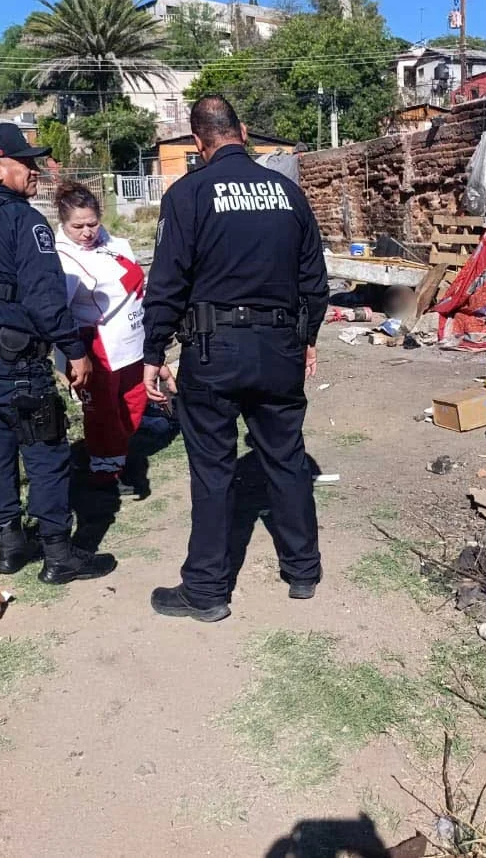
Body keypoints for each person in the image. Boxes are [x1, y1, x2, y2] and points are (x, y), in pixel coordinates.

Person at [142, 95, 330, 623]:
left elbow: (168, 282)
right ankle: (303, 571)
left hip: (212, 350)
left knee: (213, 471)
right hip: (278, 349)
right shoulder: (289, 195)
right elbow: (314, 282)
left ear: (198, 142)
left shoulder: (188, 195)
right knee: (286, 459)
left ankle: (206, 591)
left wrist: (153, 351)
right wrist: (307, 337)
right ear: (243, 132)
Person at [0, 123, 117, 585]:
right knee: (46, 449)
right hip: (14, 361)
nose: (34, 171)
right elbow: (45, 297)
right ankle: (58, 555)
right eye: (24, 163)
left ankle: (10, 546)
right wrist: (76, 351)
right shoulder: (22, 220)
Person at [53, 179, 149, 498]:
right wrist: (68, 355)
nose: (87, 232)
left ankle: (118, 454)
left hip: (133, 340)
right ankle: (106, 473)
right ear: (63, 223)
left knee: (135, 402)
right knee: (104, 413)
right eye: (77, 226)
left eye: (92, 223)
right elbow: (56, 310)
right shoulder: (61, 259)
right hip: (96, 344)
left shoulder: (117, 243)